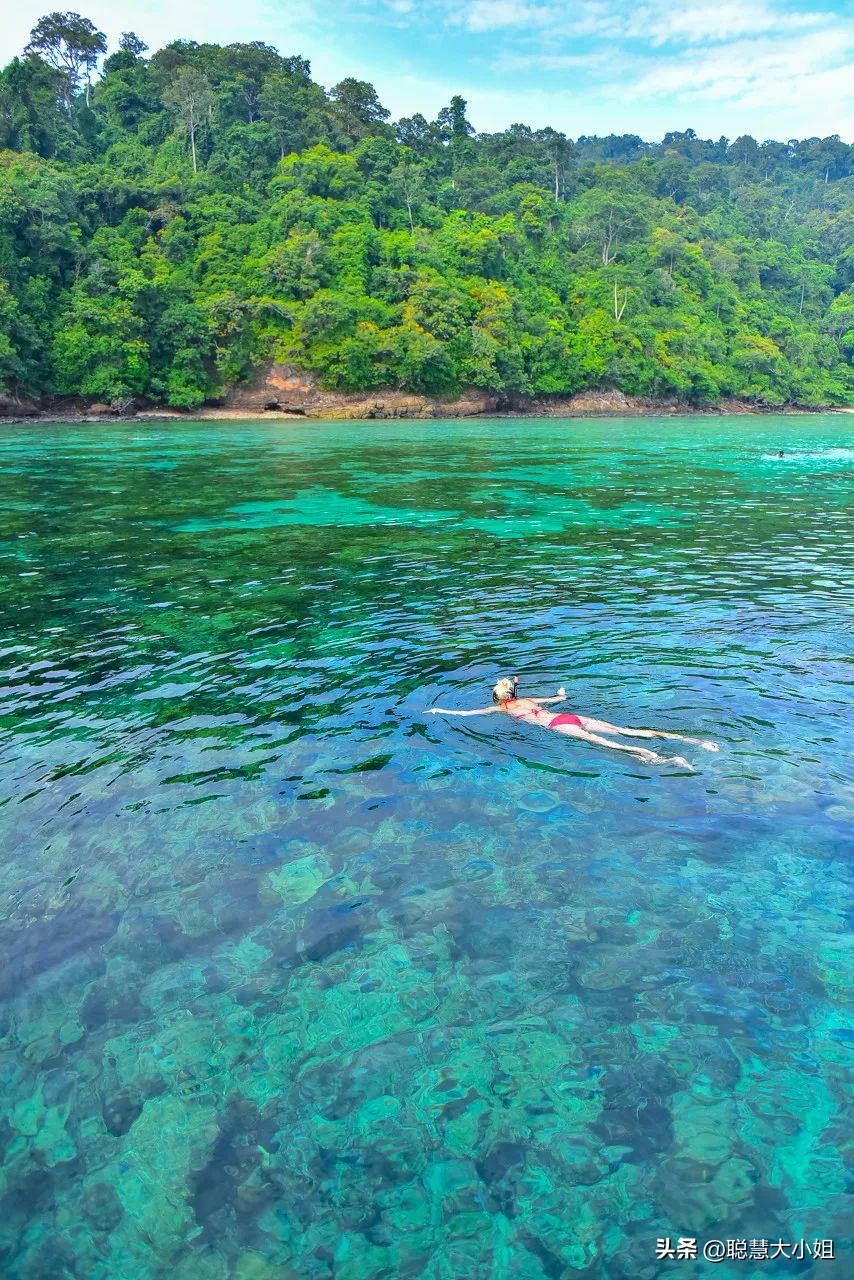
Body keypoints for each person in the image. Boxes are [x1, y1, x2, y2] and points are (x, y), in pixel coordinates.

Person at [429, 675, 719, 769]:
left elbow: (467, 715)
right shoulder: (529, 699)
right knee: (625, 730)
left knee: (609, 744)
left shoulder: (503, 710)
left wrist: (440, 711)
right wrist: (561, 694)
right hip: (567, 717)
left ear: (497, 700)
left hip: (557, 726)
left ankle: (661, 759)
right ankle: (694, 741)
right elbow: (557, 700)